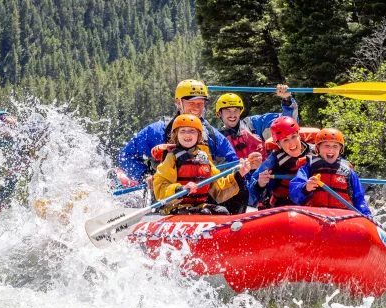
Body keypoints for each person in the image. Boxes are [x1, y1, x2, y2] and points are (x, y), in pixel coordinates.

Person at [118, 79, 260, 214]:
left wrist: (243, 168)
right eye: (192, 103)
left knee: (240, 189)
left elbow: (230, 163)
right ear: (178, 102)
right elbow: (126, 157)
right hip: (169, 197)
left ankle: (233, 228)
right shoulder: (156, 131)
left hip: (203, 197)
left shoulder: (213, 135)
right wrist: (145, 175)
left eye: (201, 103)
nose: (197, 108)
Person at [153, 114, 250, 215]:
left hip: (199, 205)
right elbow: (160, 187)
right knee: (205, 213)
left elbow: (219, 190)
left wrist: (239, 174)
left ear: (199, 135)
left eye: (192, 131)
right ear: (176, 134)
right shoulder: (171, 158)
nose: (187, 135)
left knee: (222, 211)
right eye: (183, 131)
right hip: (176, 207)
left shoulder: (204, 157)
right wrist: (179, 189)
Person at [0, 111, 48, 215]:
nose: (0, 131)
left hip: (57, 146)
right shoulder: (19, 153)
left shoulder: (29, 126)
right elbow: (7, 189)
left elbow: (18, 131)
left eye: (3, 120)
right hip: (45, 162)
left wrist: (5, 119)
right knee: (10, 183)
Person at [289, 128, 372, 216]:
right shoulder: (309, 167)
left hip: (342, 217)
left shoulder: (349, 171)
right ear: (317, 148)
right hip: (315, 215)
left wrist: (367, 215)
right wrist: (305, 188)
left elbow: (359, 198)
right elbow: (294, 194)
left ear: (340, 149)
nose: (331, 150)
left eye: (335, 146)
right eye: (326, 146)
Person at [215, 85, 299, 160]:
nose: (232, 115)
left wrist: (287, 100)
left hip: (263, 173)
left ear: (240, 112)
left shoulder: (253, 123)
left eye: (236, 110)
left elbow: (286, 122)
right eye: (227, 111)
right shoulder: (216, 137)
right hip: (237, 176)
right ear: (219, 113)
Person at [248, 116, 312, 208]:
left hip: (312, 207)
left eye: (294, 137)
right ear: (279, 144)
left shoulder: (317, 153)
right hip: (284, 207)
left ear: (299, 135)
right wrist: (259, 184)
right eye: (285, 140)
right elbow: (251, 198)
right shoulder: (273, 161)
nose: (292, 143)